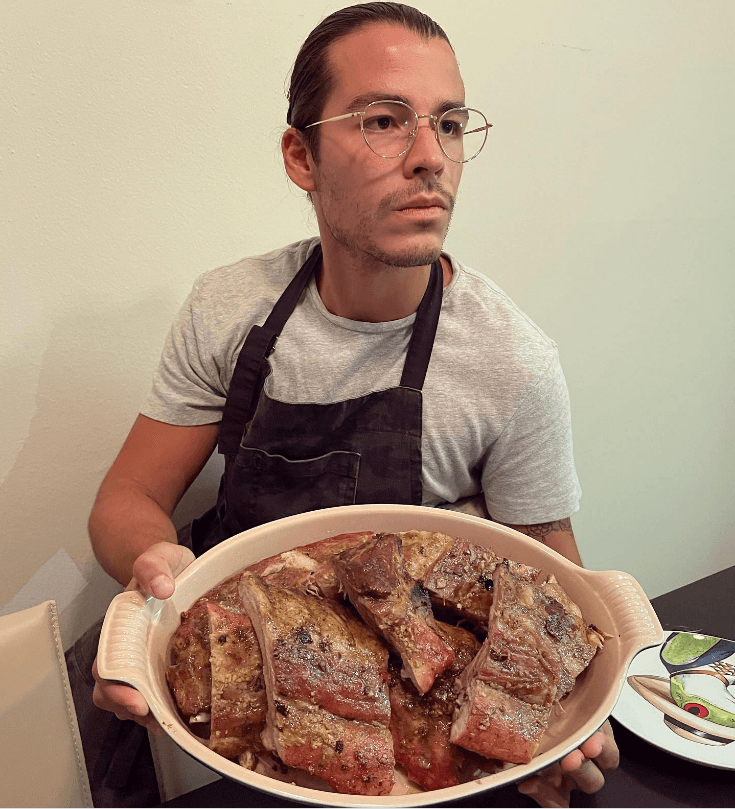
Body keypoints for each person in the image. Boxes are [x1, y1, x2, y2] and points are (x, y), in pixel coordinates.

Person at [86, 3, 618, 805]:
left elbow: (548, 572)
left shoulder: (512, 361)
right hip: (249, 687)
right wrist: (154, 569)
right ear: (301, 156)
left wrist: (565, 711)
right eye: (382, 120)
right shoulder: (230, 307)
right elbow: (128, 499)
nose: (429, 157)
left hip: (417, 725)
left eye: (448, 122)